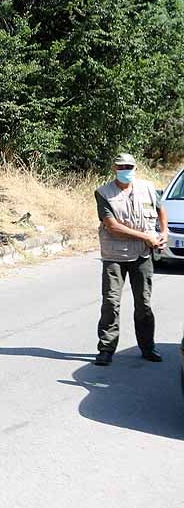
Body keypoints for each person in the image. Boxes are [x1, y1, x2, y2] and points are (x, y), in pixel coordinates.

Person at [93, 153, 167, 366]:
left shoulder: (148, 188)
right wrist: (147, 237)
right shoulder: (103, 193)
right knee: (111, 303)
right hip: (115, 256)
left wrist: (164, 230)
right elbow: (113, 227)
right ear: (114, 168)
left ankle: (147, 347)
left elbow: (160, 209)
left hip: (142, 255)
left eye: (129, 166)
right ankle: (106, 348)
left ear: (135, 167)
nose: (126, 170)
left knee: (143, 304)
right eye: (121, 166)